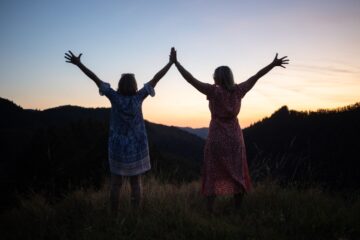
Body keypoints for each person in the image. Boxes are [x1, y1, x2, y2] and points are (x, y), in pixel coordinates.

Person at [170, 48, 289, 212]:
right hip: (235, 137)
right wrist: (273, 64)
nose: (213, 78)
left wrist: (176, 63)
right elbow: (256, 76)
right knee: (237, 173)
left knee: (213, 173)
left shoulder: (213, 91)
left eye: (214, 76)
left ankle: (209, 211)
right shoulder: (239, 90)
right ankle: (237, 210)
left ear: (218, 78)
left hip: (216, 137)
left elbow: (191, 79)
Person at [65, 49, 173, 213]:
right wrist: (170, 63)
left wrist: (79, 64)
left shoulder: (114, 97)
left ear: (120, 85)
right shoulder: (139, 98)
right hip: (137, 147)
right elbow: (156, 78)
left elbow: (95, 79)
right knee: (136, 183)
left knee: (116, 184)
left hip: (117, 148)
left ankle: (113, 215)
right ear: (135, 86)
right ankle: (135, 214)